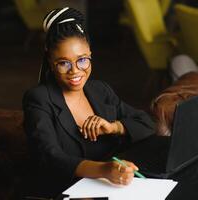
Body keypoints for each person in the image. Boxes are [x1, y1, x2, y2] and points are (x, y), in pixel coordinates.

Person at [22, 7, 155, 197]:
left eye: (82, 60)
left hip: (112, 188)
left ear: (90, 54)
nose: (75, 71)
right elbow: (50, 156)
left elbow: (147, 123)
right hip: (65, 191)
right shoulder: (39, 99)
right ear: (50, 61)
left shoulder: (100, 90)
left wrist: (113, 127)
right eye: (63, 63)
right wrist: (105, 170)